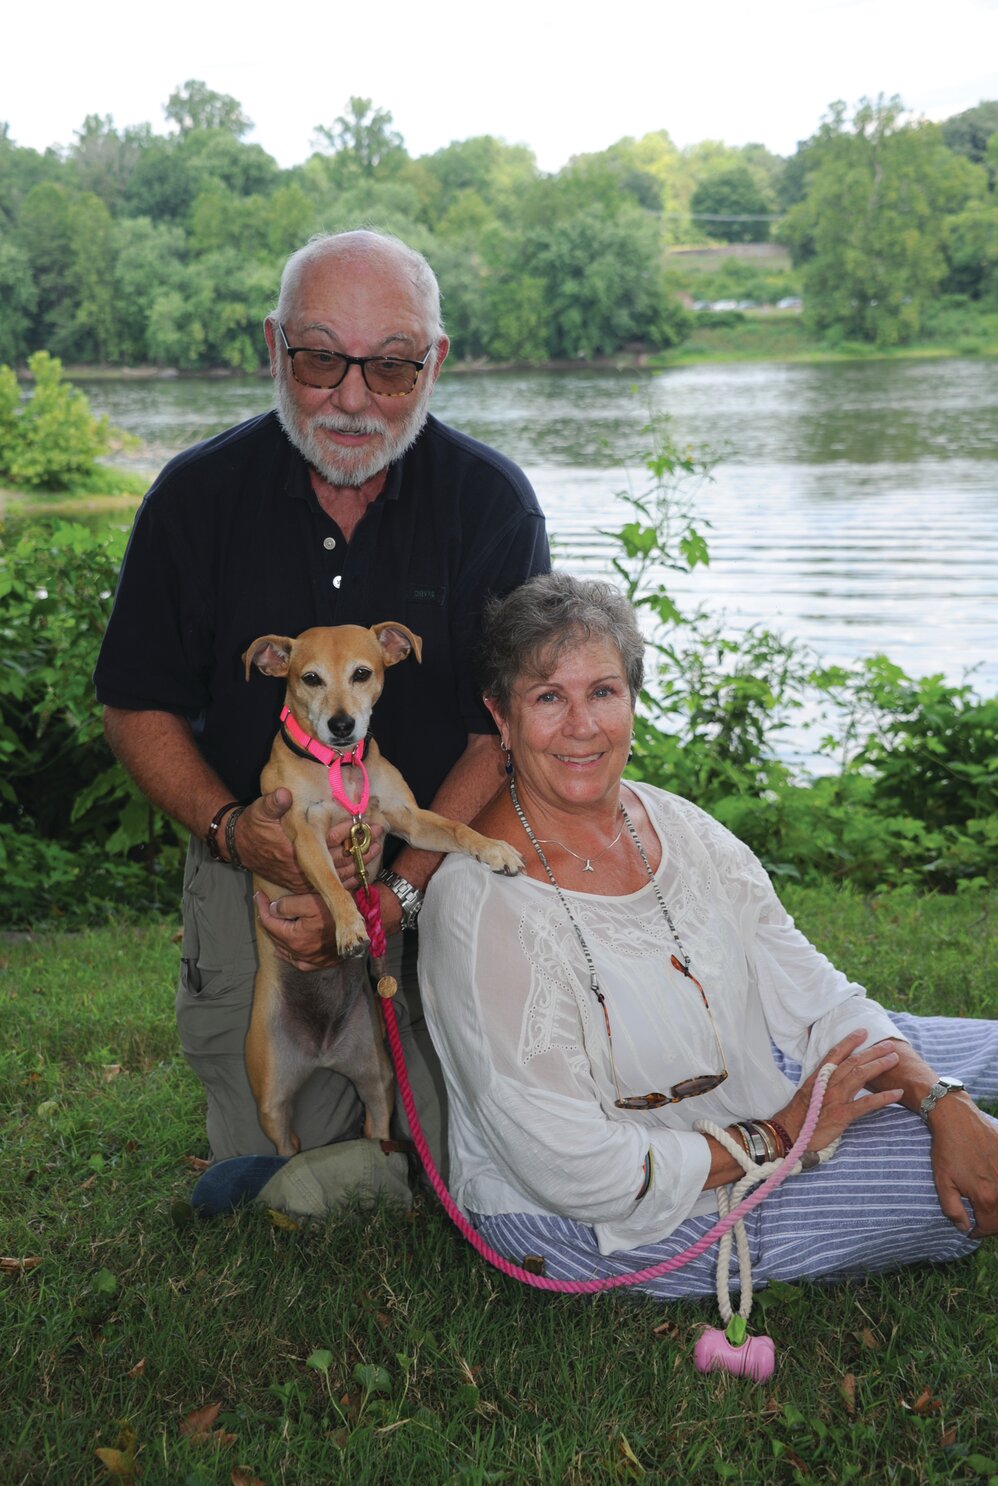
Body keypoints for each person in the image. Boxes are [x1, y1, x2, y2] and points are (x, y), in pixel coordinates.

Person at [94, 230, 550, 1206]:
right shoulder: (194, 497)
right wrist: (234, 832)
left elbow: (500, 733)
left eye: (389, 366)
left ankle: (442, 1128)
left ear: (434, 362)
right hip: (255, 846)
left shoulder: (490, 502)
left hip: (431, 851)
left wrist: (401, 893)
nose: (352, 397)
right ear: (273, 349)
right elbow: (137, 701)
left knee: (465, 1152)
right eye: (317, 358)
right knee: (274, 1161)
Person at [417, 573, 998, 1297]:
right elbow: (576, 1169)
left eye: (602, 691)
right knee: (959, 1173)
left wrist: (943, 1098)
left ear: (631, 701)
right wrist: (782, 1134)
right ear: (499, 718)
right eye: (547, 698)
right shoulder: (480, 909)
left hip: (745, 1074)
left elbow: (815, 998)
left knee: (978, 1067)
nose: (582, 725)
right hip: (596, 1214)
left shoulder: (681, 827)